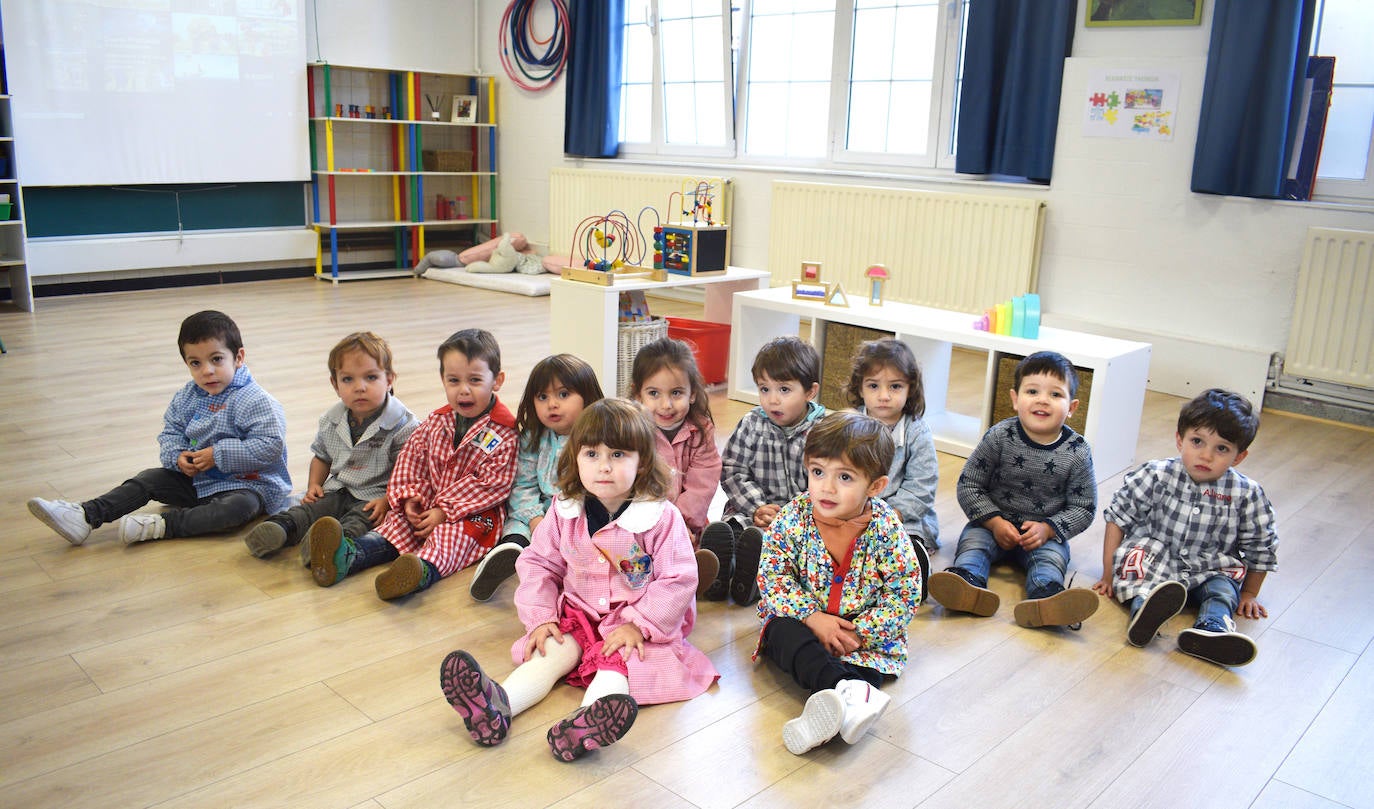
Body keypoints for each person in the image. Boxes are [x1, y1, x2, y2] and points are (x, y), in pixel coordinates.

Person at [438, 398, 719, 762]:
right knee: (549, 652)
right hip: (581, 613)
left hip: (635, 621)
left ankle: (584, 725)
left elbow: (678, 580)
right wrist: (541, 618)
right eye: (591, 454)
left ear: (642, 462)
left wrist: (638, 626)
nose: (603, 467)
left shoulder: (661, 518)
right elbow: (539, 563)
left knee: (617, 662)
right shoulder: (564, 509)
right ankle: (496, 706)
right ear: (575, 458)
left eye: (618, 455)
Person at [28, 310, 290, 545]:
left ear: (238, 357)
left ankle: (162, 526)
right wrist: (177, 457)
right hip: (199, 481)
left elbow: (270, 446)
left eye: (217, 359)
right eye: (196, 363)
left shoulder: (256, 400)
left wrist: (216, 454)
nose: (207, 371)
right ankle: (85, 515)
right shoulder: (187, 396)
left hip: (248, 486)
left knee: (235, 509)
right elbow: (170, 433)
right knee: (149, 478)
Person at [753, 411, 922, 755]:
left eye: (844, 477)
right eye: (817, 472)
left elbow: (903, 595)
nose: (826, 487)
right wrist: (813, 619)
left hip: (861, 640)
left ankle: (834, 713)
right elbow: (773, 576)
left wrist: (858, 634)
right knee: (780, 633)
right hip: (801, 623)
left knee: (862, 668)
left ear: (875, 486)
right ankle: (843, 693)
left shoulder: (886, 529)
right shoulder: (793, 516)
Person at [308, 328, 517, 600]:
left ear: (497, 380)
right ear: (442, 380)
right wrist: (410, 499)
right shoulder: (437, 421)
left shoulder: (506, 432)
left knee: (452, 540)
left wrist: (444, 511)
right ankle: (349, 555)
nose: (463, 390)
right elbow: (412, 458)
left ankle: (419, 572)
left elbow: (490, 485)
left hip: (472, 514)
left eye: (475, 380)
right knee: (396, 525)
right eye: (453, 380)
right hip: (426, 501)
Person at [1092, 388, 1277, 667]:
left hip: (1210, 566)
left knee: (1222, 591)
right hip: (1157, 557)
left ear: (1239, 456)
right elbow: (1118, 518)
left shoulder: (1247, 494)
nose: (1206, 455)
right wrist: (1108, 574)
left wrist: (1249, 593)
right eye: (1197, 441)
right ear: (1180, 440)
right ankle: (1144, 614)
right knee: (1139, 574)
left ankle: (1212, 631)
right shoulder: (1155, 474)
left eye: (1222, 449)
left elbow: (1260, 546)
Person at [927, 351, 1099, 629]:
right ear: (1015, 399)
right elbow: (969, 483)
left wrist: (1049, 529)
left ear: (1072, 407)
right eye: (1032, 391)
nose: (1043, 400)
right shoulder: (999, 436)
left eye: (1056, 395)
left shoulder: (1077, 451)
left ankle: (1047, 597)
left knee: (1050, 560)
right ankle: (966, 583)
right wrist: (994, 522)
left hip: (1044, 534)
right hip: (991, 523)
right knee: (973, 545)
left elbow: (1085, 506)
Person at [244, 332, 418, 560]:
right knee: (313, 509)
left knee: (359, 522)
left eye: (371, 377)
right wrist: (314, 484)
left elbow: (410, 473)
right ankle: (282, 527)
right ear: (334, 384)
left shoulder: (404, 425)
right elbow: (322, 457)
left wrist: (387, 501)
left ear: (389, 379)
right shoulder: (331, 419)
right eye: (348, 379)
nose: (360, 387)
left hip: (375, 497)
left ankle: (330, 547)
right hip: (338, 487)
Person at [703, 335, 826, 606]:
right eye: (764, 389)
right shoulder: (751, 423)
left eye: (784, 390)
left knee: (802, 551)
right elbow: (733, 470)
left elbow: (827, 484)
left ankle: (758, 580)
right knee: (734, 530)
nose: (772, 400)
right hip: (752, 513)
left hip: (802, 520)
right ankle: (721, 574)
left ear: (810, 391)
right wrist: (757, 507)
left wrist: (790, 515)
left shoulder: (823, 431)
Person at [470, 353, 603, 601]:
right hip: (541, 509)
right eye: (543, 397)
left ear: (588, 398)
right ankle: (509, 551)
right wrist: (534, 519)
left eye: (563, 395)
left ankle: (567, 574)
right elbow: (523, 484)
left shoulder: (597, 440)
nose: (552, 404)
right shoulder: (533, 438)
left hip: (579, 512)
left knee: (585, 539)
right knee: (517, 526)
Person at [629, 337, 724, 596]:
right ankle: (652, 580)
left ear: (692, 392)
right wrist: (656, 527)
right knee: (630, 551)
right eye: (653, 394)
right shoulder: (631, 431)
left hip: (686, 523)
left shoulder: (700, 431)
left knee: (693, 546)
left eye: (676, 393)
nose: (666, 405)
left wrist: (680, 525)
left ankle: (692, 575)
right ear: (638, 394)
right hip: (640, 522)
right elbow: (630, 486)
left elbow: (703, 482)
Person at [845, 337, 938, 597]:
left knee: (904, 541)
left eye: (895, 387)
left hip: (902, 516)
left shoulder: (917, 432)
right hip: (854, 512)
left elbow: (922, 485)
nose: (884, 396)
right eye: (874, 386)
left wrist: (894, 513)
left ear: (910, 389)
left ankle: (915, 575)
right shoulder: (849, 425)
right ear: (861, 388)